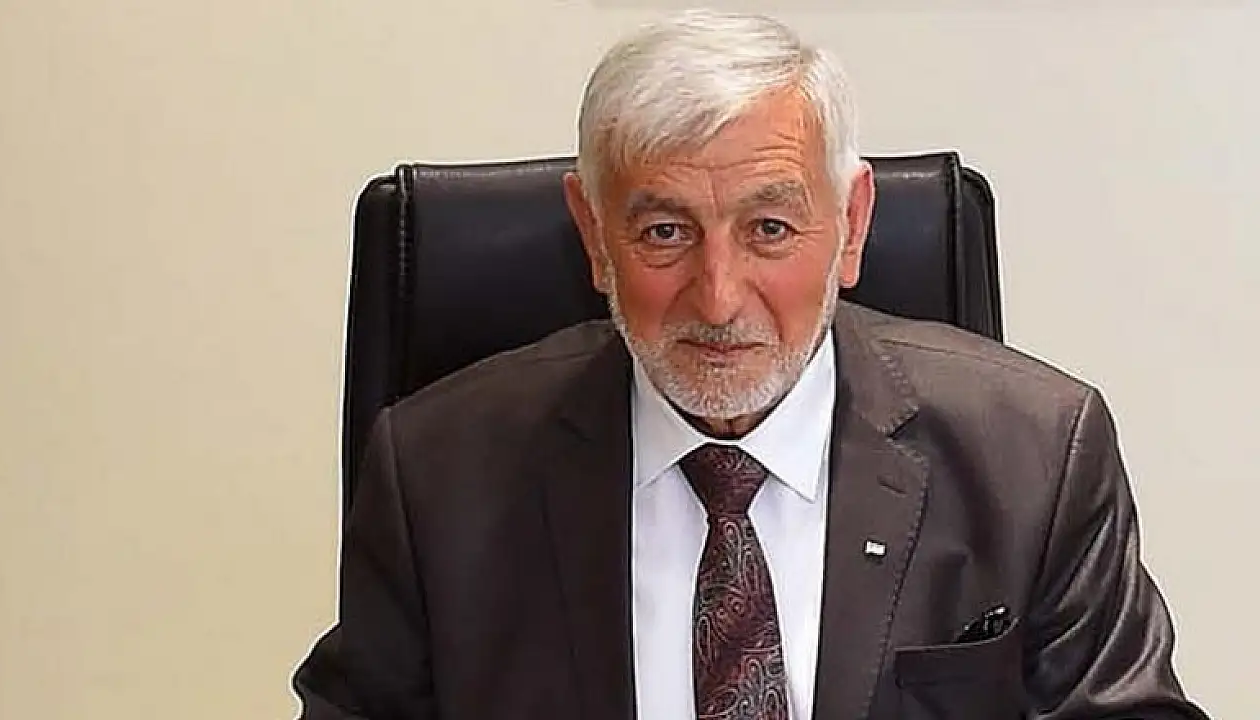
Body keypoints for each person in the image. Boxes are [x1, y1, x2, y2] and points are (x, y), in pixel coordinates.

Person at [293, 10, 1208, 720]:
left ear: (851, 225)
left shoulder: (1035, 458)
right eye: (665, 232)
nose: (720, 296)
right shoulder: (436, 476)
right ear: (594, 235)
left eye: (769, 228)